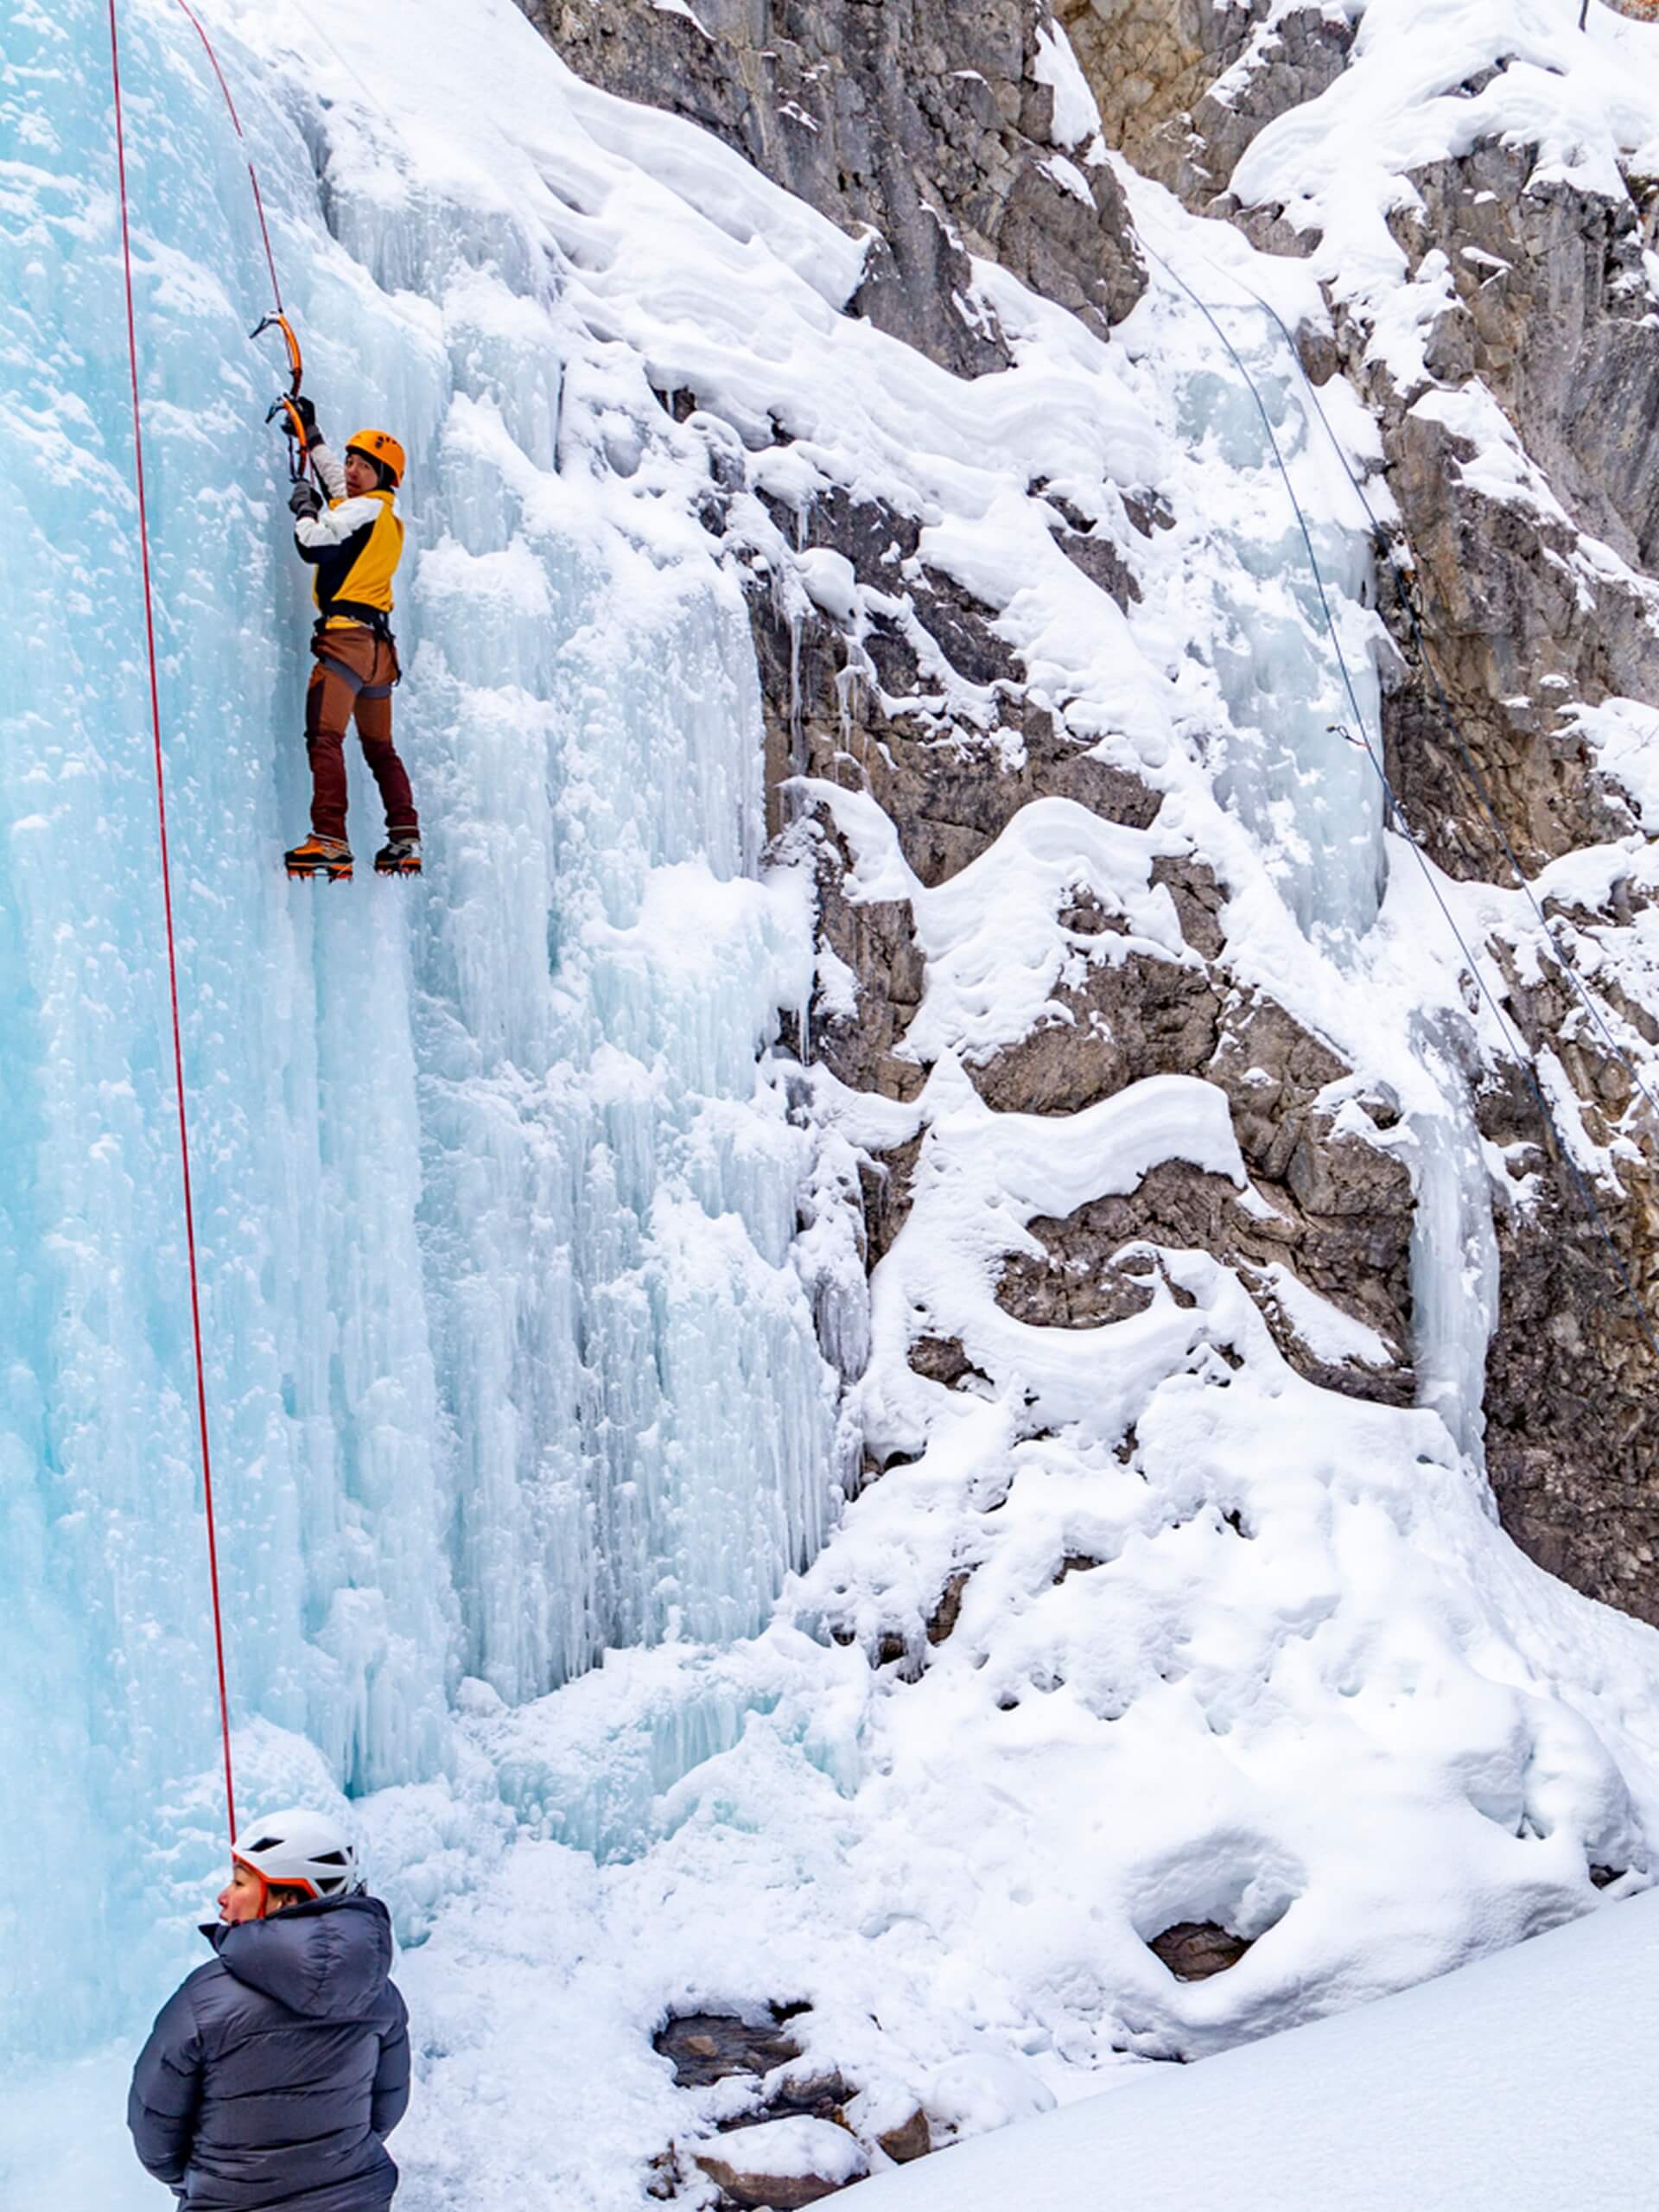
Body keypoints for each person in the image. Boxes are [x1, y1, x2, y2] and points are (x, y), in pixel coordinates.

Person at [128, 1807, 410, 2211]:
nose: (223, 1897)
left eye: (240, 1882)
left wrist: (210, 2182)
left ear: (287, 1899)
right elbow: (386, 2109)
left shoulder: (203, 2000)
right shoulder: (380, 1996)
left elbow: (154, 2130)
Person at [282, 402, 422, 882]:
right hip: (380, 652)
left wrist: (304, 507)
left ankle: (330, 841)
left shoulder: (362, 510)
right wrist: (313, 435)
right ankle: (404, 837)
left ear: (383, 477)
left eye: (366, 466)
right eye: (352, 460)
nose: (353, 470)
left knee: (325, 738)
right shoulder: (385, 517)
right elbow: (339, 489)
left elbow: (314, 543)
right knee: (380, 748)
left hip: (346, 643)